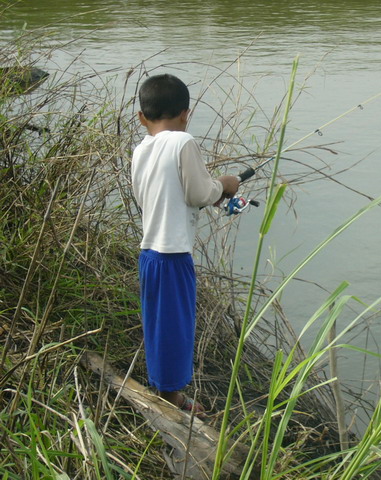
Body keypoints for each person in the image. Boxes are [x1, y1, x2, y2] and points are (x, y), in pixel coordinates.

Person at [131, 73, 239, 416]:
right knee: (177, 327)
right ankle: (173, 400)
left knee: (158, 323)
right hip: (173, 253)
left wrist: (207, 192)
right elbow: (199, 193)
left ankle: (165, 389)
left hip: (149, 253)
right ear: (185, 114)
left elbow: (152, 196)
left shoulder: (140, 150)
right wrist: (225, 185)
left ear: (141, 117)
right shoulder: (183, 142)